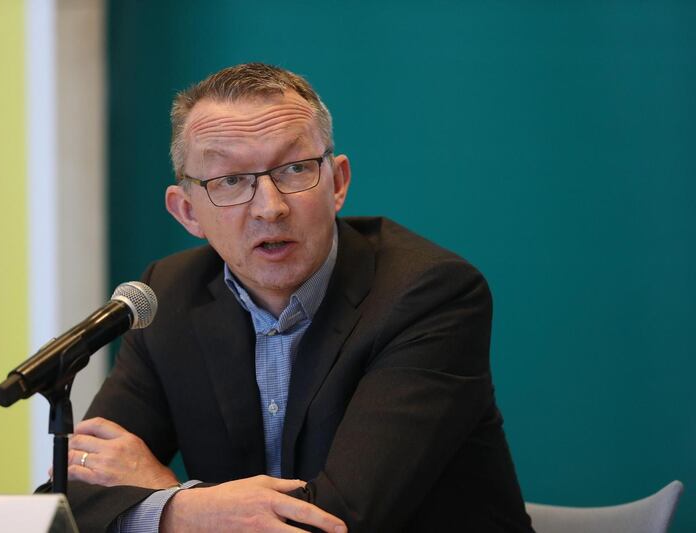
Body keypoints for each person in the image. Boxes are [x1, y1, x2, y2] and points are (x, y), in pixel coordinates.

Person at [56, 63, 533, 532]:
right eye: (230, 180)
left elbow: (337, 522)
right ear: (187, 213)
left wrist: (169, 497)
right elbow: (71, 492)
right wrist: (185, 511)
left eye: (295, 168)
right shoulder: (170, 296)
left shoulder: (429, 295)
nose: (270, 207)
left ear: (338, 183)